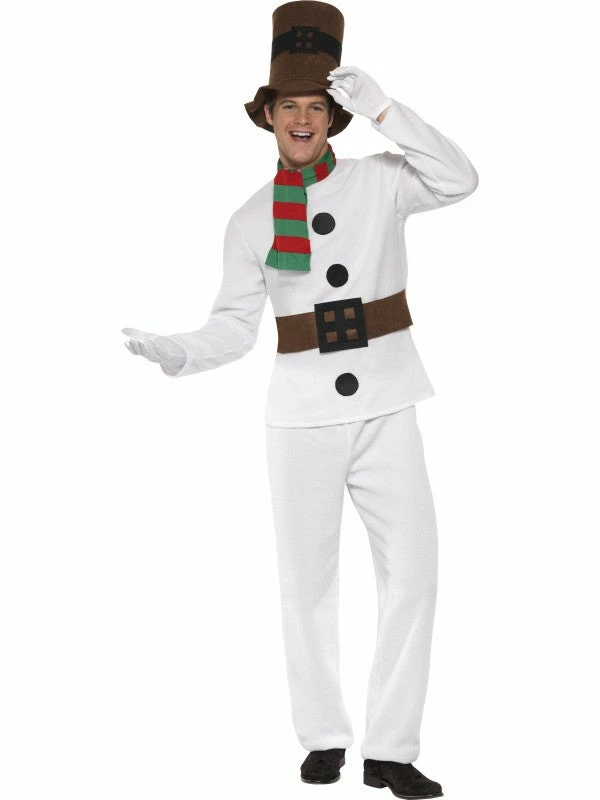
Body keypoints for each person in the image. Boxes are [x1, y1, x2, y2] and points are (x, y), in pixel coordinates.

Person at [122, 2, 478, 797]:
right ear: (269, 117)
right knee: (306, 583)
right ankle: (323, 737)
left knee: (414, 573)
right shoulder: (250, 219)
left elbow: (461, 178)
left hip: (386, 403)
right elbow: (233, 327)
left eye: (318, 105)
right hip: (301, 415)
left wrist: (387, 110)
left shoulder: (381, 181)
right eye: (290, 106)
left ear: (335, 114)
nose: (304, 119)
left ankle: (392, 749)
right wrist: (178, 350)